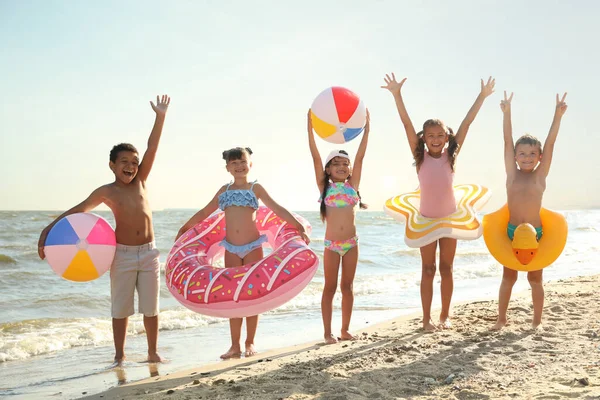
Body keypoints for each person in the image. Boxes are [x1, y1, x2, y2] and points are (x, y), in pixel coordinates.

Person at [38, 94, 171, 365]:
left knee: (151, 308)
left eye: (134, 162)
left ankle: (152, 352)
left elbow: (152, 147)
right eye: (124, 162)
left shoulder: (140, 182)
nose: (131, 167)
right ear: (112, 165)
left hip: (149, 254)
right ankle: (119, 356)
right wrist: (48, 230)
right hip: (121, 255)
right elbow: (79, 210)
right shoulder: (106, 191)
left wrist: (160, 117)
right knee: (120, 309)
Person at [382, 73, 495, 330]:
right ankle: (426, 318)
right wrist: (397, 95)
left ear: (446, 137)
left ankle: (445, 315)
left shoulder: (451, 156)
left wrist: (482, 96)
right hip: (425, 219)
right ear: (424, 138)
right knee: (428, 269)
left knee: (446, 268)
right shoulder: (419, 155)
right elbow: (406, 125)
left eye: (440, 135)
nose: (435, 139)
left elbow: (467, 124)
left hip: (451, 218)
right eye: (430, 135)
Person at [176, 147, 309, 358]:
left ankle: (250, 342)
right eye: (234, 163)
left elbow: (277, 208)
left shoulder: (256, 188)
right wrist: (185, 227)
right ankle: (234, 344)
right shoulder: (224, 190)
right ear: (228, 168)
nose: (239, 166)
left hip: (253, 246)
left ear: (250, 164)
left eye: (242, 162)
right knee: (233, 297)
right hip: (231, 248)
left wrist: (296, 225)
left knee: (252, 295)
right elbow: (205, 211)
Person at [491, 91, 568, 331]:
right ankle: (501, 319)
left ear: (539, 157)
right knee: (509, 277)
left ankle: (536, 321)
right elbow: (506, 140)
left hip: (536, 234)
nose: (527, 157)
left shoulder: (539, 176)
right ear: (515, 156)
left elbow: (551, 142)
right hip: (512, 231)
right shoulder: (512, 175)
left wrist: (558, 115)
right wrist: (507, 113)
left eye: (532, 154)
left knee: (535, 279)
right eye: (522, 153)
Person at [307, 109, 370, 344]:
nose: (342, 167)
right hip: (332, 246)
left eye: (345, 164)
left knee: (348, 287)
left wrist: (367, 131)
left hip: (352, 244)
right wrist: (310, 130)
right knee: (330, 287)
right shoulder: (325, 187)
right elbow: (314, 157)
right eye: (336, 164)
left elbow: (361, 157)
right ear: (328, 169)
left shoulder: (353, 186)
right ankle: (327, 332)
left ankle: (345, 329)